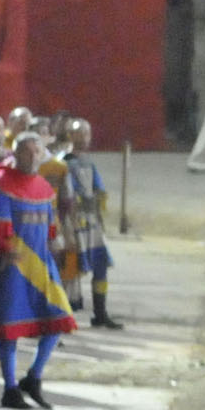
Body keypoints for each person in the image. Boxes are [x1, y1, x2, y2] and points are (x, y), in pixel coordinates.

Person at [0, 130, 76, 410]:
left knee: (59, 319)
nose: (32, 157)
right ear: (15, 153)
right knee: (10, 330)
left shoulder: (43, 187)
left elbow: (50, 228)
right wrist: (5, 248)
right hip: (11, 269)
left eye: (36, 151)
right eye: (26, 151)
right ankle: (10, 388)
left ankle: (33, 377)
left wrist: (56, 242)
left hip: (41, 266)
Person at [60, 119, 122, 329]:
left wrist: (98, 201)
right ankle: (62, 316)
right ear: (71, 135)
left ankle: (100, 313)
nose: (85, 138)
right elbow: (66, 194)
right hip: (74, 221)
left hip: (91, 220)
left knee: (101, 263)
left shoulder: (88, 162)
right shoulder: (63, 162)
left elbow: (98, 188)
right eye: (81, 133)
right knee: (70, 270)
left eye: (87, 133)